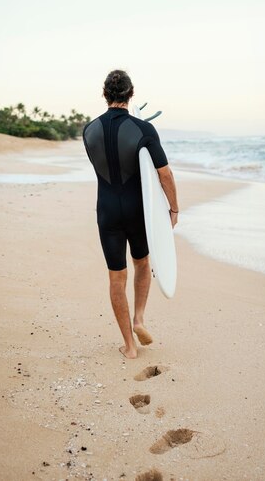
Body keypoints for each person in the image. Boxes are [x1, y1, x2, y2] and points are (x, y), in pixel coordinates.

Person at [83, 70, 179, 359]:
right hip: (137, 210)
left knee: (116, 277)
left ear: (105, 94)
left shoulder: (88, 130)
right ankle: (139, 318)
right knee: (142, 262)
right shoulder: (143, 130)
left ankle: (129, 345)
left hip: (107, 211)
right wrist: (173, 208)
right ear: (130, 93)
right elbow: (164, 174)